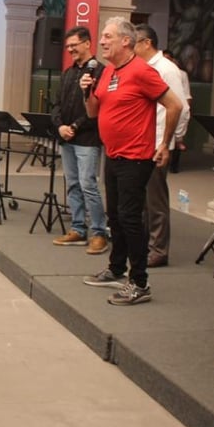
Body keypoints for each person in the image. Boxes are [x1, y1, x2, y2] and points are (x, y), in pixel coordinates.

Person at [80, 17, 183, 306]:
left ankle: (139, 282)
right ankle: (115, 269)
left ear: (126, 40)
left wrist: (165, 144)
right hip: (113, 154)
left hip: (136, 157)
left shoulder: (141, 71)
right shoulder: (109, 72)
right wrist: (85, 90)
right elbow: (92, 113)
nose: (101, 41)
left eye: (107, 36)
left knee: (130, 218)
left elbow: (175, 104)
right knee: (116, 216)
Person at [50, 26, 109, 254]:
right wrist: (60, 126)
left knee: (88, 186)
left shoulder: (101, 72)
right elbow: (57, 105)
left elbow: (99, 108)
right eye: (68, 47)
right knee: (73, 185)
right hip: (66, 138)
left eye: (74, 45)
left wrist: (74, 126)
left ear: (87, 43)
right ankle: (78, 229)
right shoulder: (67, 73)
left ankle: (99, 233)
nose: (70, 49)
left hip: (87, 139)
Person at [134, 27, 190, 268]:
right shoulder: (143, 68)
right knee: (143, 199)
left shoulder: (167, 69)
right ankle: (145, 245)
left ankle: (158, 250)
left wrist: (170, 142)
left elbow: (181, 108)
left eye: (133, 44)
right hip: (141, 141)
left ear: (147, 43)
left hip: (158, 142)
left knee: (155, 200)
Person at [162, 49, 193, 173]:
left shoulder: (181, 74)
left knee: (175, 136)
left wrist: (187, 109)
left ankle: (174, 166)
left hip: (176, 106)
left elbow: (186, 95)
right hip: (162, 109)